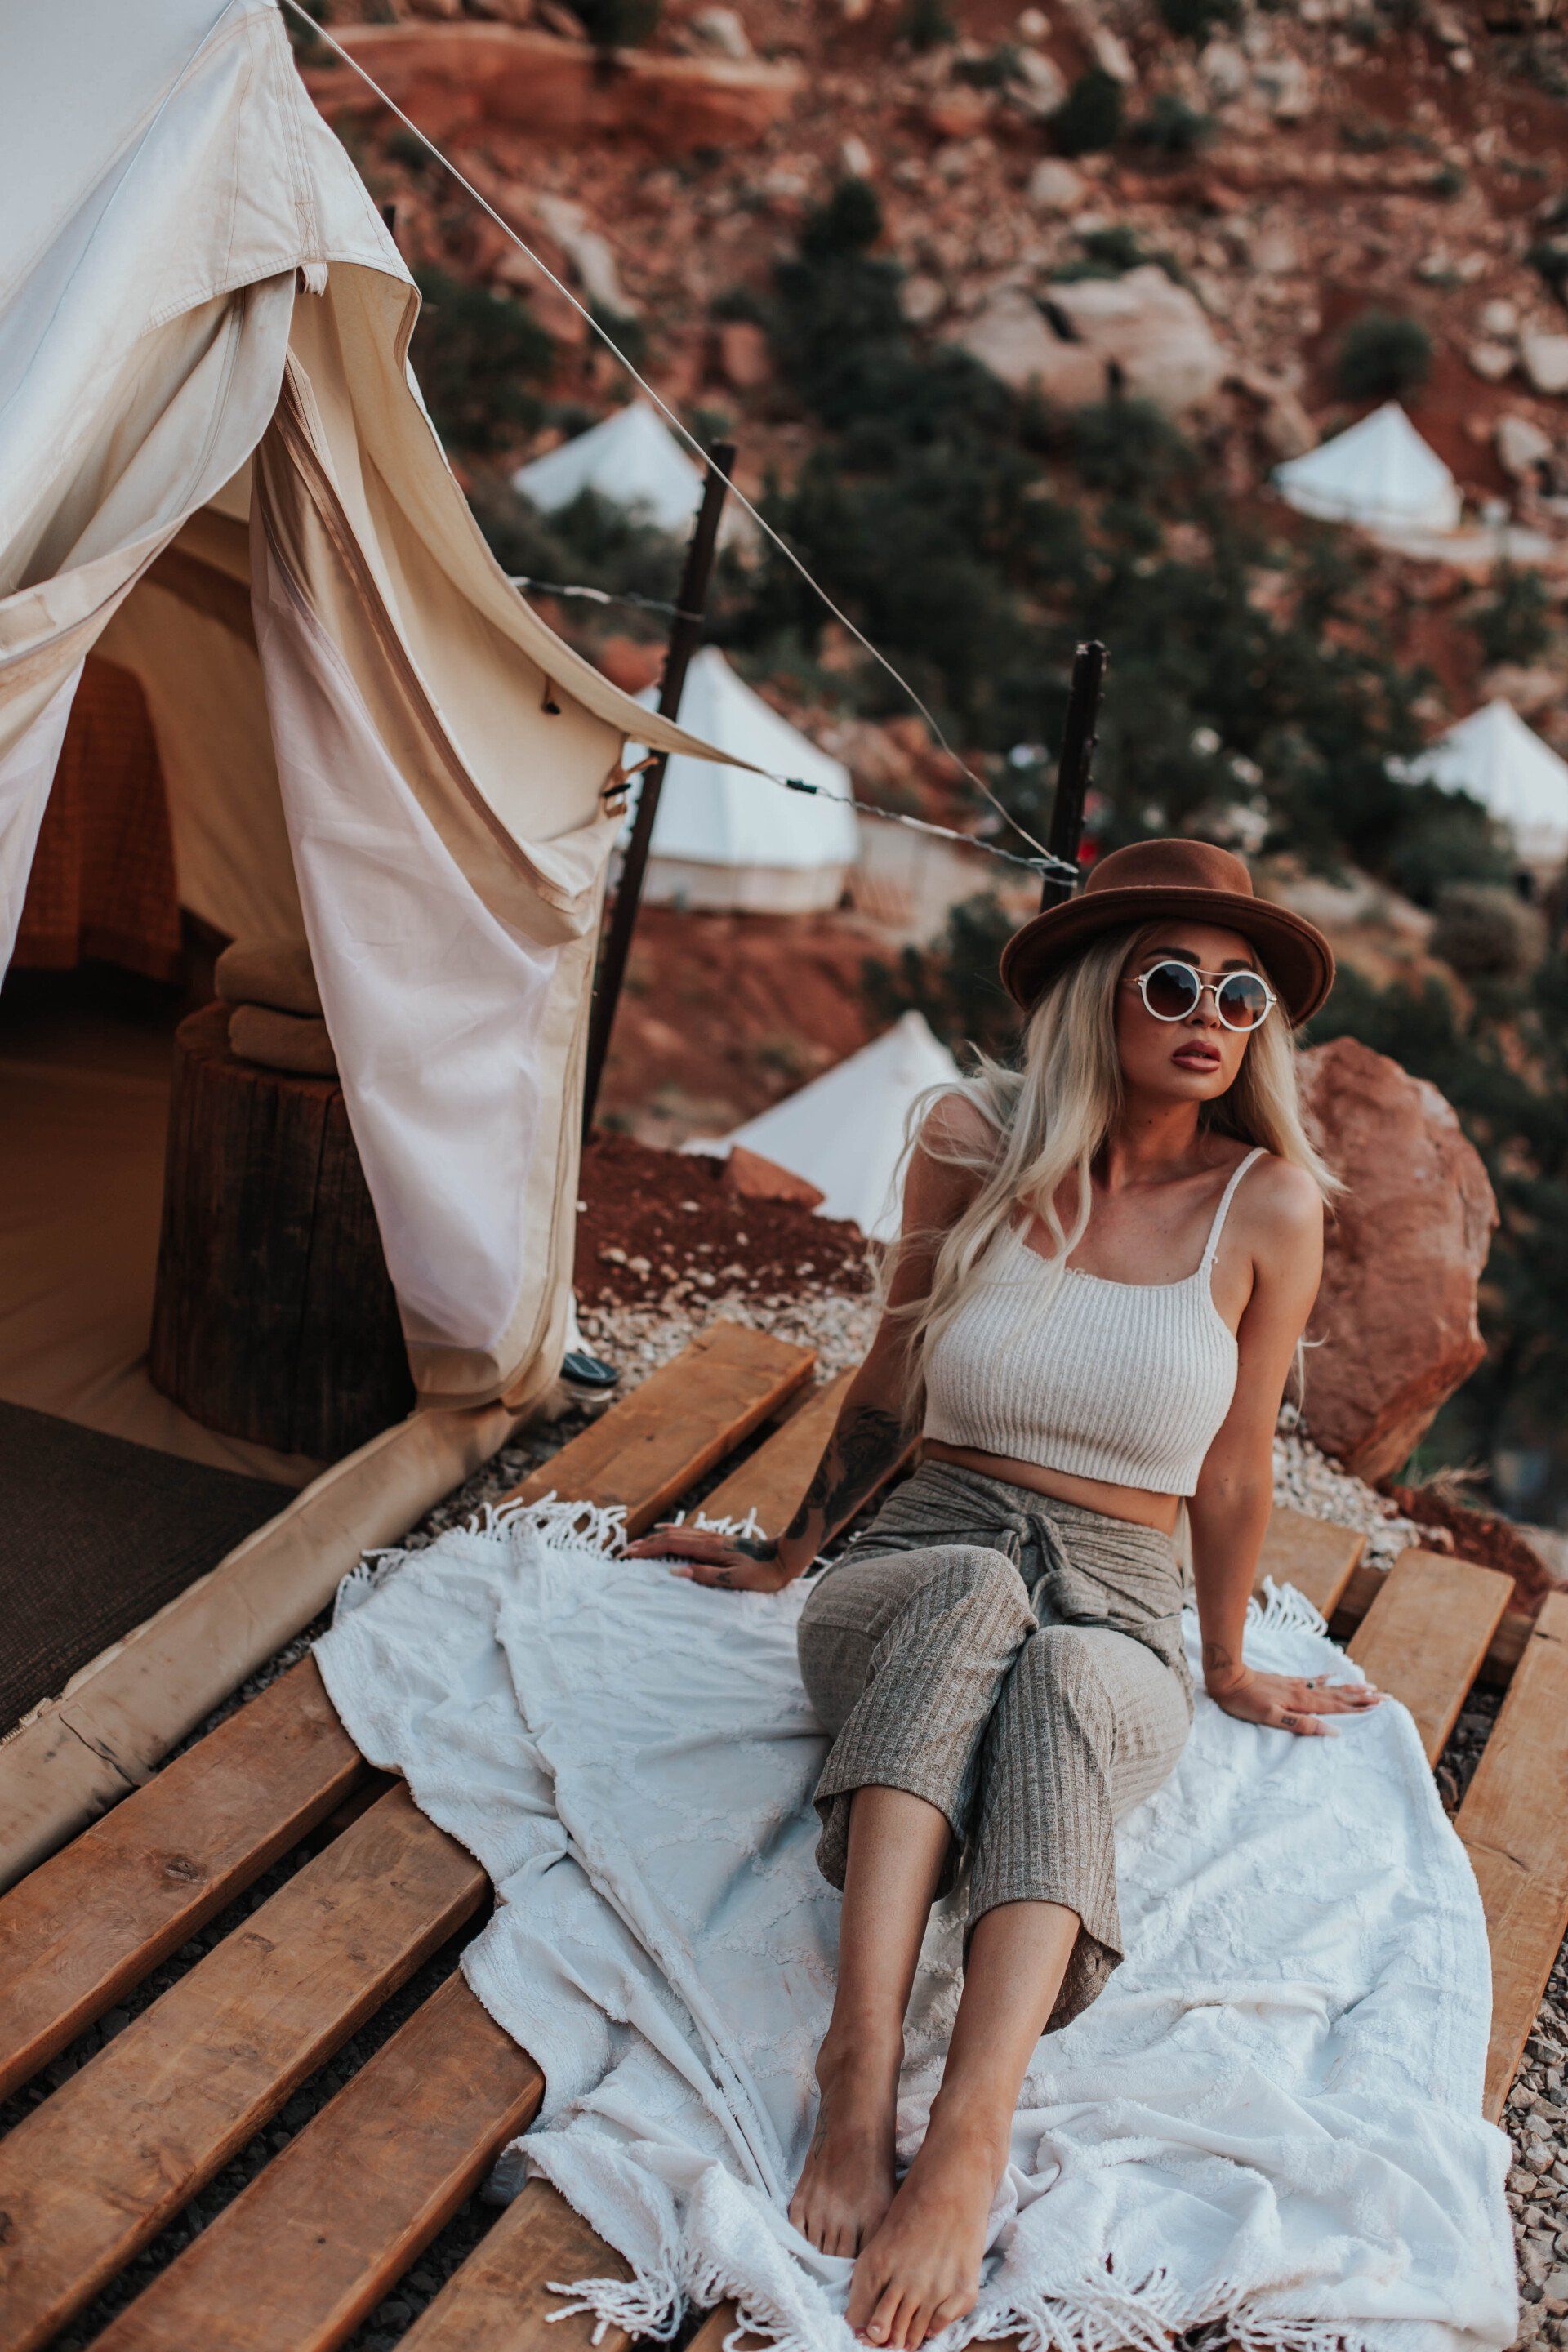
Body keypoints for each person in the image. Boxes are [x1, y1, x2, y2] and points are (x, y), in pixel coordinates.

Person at [626, 838, 1384, 2352]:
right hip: (927, 1545)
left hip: (1119, 1583)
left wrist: (1224, 1660)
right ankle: (857, 2072)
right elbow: (895, 1368)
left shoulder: (1271, 1206)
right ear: (1102, 994)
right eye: (1174, 980)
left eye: (1241, 995)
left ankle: (969, 2129)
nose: (1212, 1014)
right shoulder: (972, 1138)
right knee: (974, 1589)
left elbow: (1235, 1473)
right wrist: (791, 1555)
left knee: (1079, 1683)